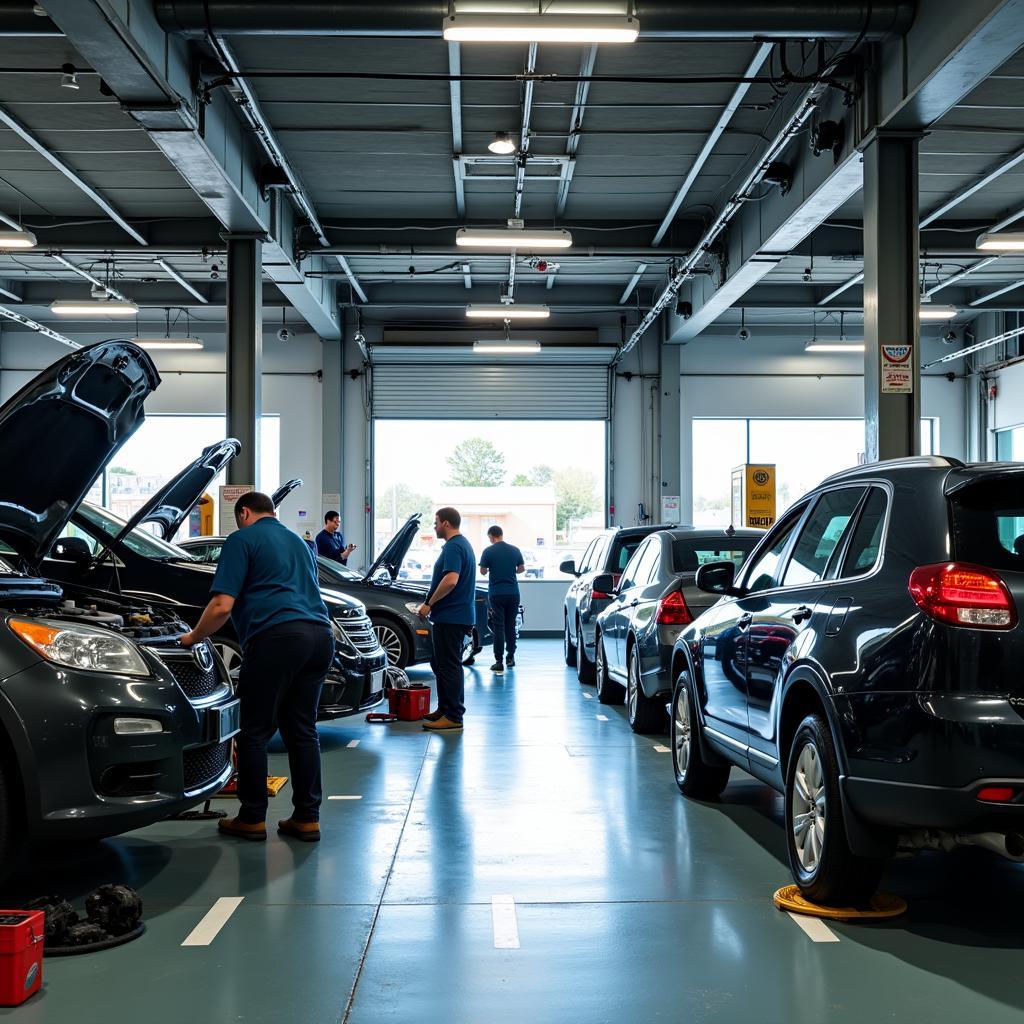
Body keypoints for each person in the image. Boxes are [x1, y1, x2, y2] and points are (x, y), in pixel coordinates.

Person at [180, 491, 335, 843]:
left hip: (276, 638)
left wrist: (192, 637)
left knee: (254, 731)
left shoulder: (241, 539)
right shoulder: (299, 541)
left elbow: (221, 605)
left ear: (244, 512)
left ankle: (251, 817)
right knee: (302, 730)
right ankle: (307, 818)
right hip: (319, 636)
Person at [417, 507, 475, 732]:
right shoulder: (463, 545)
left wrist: (429, 603)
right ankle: (445, 708)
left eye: (436, 523)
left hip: (451, 616)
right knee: (442, 664)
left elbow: (451, 580)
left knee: (449, 665)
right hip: (454, 616)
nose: (435, 526)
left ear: (447, 524)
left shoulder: (453, 547)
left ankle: (453, 715)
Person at [479, 525, 524, 673]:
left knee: (499, 627)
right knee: (510, 625)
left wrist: (492, 568)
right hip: (513, 593)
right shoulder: (514, 550)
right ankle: (510, 657)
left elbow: (483, 571)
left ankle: (498, 661)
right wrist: (511, 570)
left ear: (492, 536)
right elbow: (521, 568)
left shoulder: (488, 551)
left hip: (497, 594)